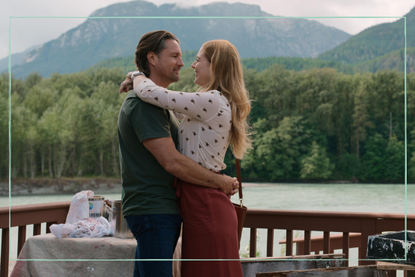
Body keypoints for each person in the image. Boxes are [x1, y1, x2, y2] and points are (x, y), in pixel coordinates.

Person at [121, 39, 251, 277]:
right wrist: (139, 76)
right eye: (177, 57)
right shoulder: (209, 102)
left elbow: (152, 93)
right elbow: (158, 97)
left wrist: (136, 74)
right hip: (200, 202)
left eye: (198, 59)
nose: (190, 64)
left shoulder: (211, 101)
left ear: (216, 65)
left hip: (204, 203)